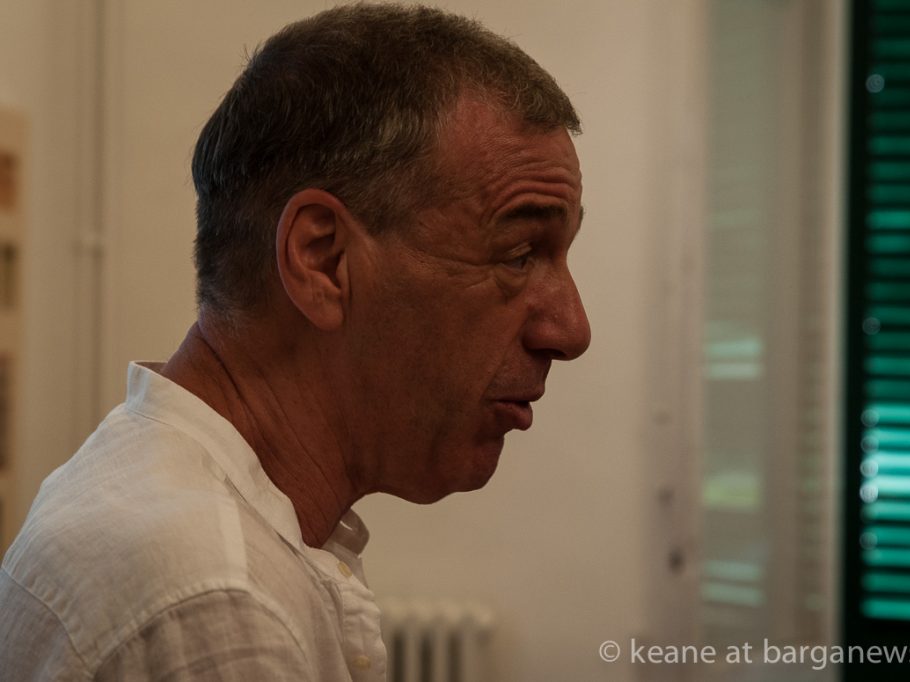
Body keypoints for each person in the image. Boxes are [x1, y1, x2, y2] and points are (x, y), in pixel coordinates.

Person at [0, 4, 590, 680]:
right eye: (519, 253)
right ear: (322, 259)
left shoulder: (166, 503)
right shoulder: (212, 597)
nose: (570, 329)